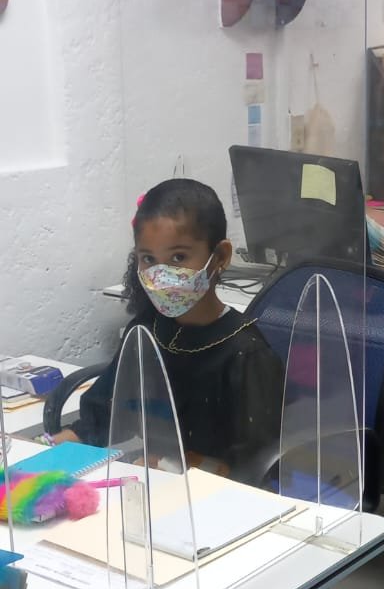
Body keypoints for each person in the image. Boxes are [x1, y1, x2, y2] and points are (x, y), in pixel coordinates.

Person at [56, 178, 284, 481]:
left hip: (213, 498)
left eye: (178, 258)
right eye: (148, 259)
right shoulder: (146, 329)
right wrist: (47, 449)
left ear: (220, 257)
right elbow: (98, 418)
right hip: (144, 486)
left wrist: (172, 464)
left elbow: (257, 470)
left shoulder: (246, 355)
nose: (161, 275)